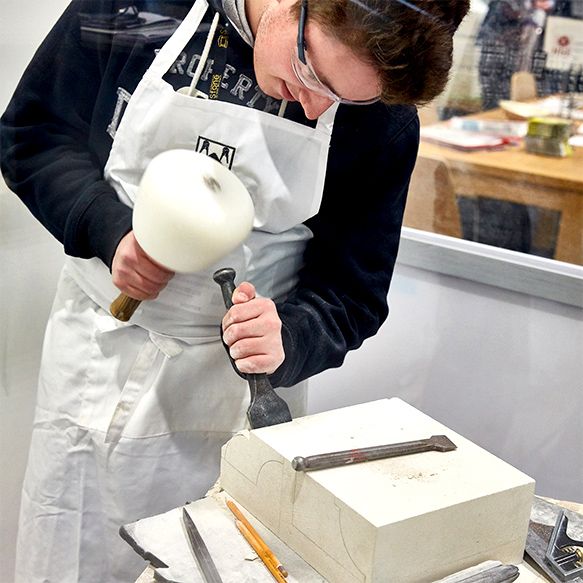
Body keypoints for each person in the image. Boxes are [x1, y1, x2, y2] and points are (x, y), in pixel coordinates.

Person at [0, 0, 469, 580]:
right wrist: (105, 228)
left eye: (349, 98)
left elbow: (354, 292)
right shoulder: (139, 10)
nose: (317, 105)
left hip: (240, 395)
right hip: (98, 352)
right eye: (311, 74)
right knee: (72, 556)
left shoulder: (382, 118)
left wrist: (291, 336)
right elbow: (34, 133)